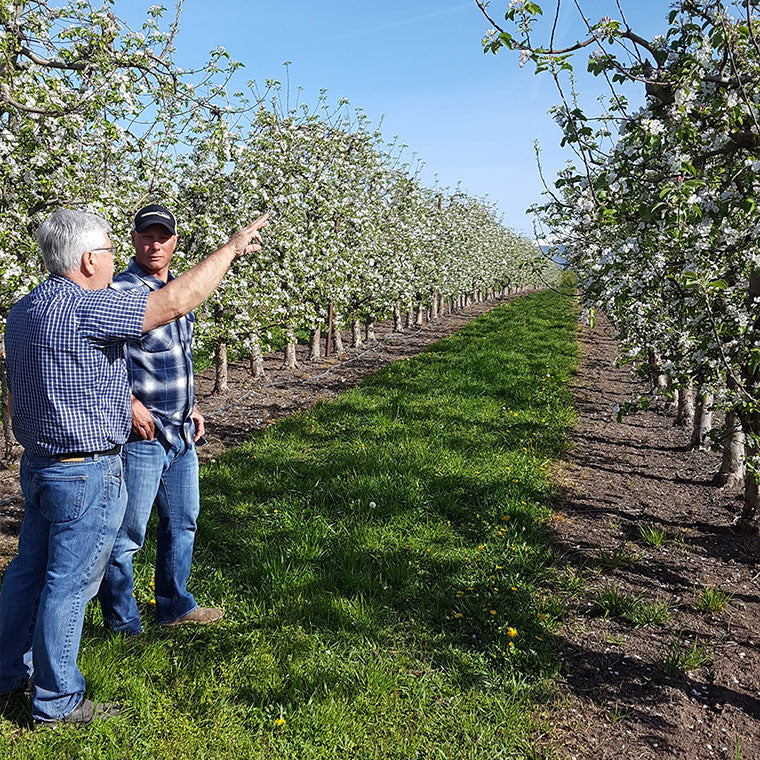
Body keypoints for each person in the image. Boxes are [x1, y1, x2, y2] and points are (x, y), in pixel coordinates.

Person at [0, 207, 268, 726]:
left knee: (27, 575)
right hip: (83, 471)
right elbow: (176, 301)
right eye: (108, 251)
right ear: (86, 261)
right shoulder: (85, 308)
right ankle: (57, 701)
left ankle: (9, 672)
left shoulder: (24, 310)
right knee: (68, 585)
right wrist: (232, 249)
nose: (114, 259)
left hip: (38, 466)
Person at [98, 204, 218, 634]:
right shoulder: (121, 291)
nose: (154, 244)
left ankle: (174, 606)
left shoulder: (181, 293)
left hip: (182, 430)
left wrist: (194, 405)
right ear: (133, 239)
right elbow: (100, 359)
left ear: (174, 242)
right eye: (146, 236)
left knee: (183, 522)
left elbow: (178, 359)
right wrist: (125, 401)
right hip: (142, 436)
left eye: (162, 236)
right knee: (127, 536)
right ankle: (123, 623)